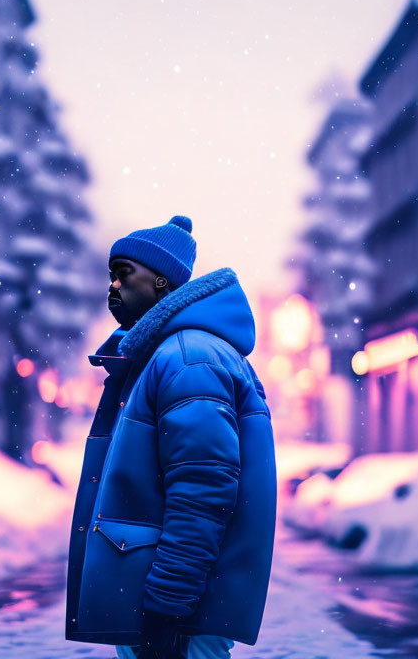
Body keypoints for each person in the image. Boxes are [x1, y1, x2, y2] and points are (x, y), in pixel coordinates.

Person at [65, 215, 277, 659]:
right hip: (167, 605)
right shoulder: (166, 355)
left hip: (178, 615)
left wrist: (167, 606)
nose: (113, 287)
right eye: (111, 275)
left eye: (124, 274)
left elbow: (203, 492)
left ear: (161, 282)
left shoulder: (188, 359)